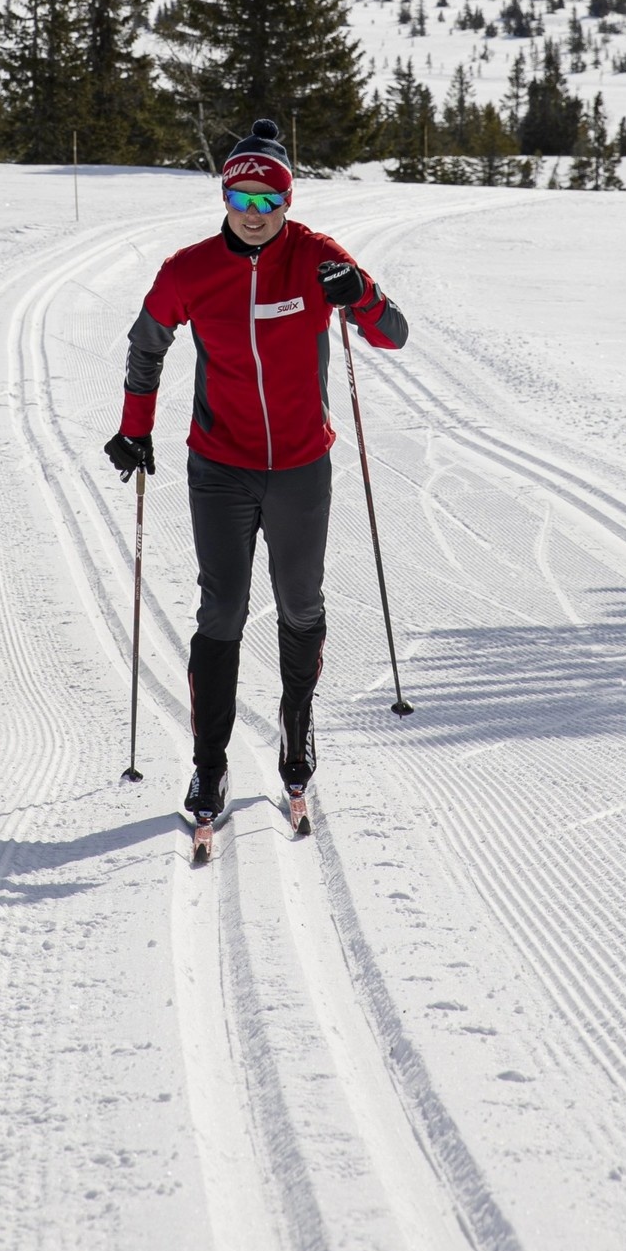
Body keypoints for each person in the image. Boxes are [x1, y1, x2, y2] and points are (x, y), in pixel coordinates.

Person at [104, 118, 409, 824]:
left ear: (286, 204)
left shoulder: (315, 259)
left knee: (301, 605)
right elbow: (146, 342)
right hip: (220, 466)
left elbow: (392, 333)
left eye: (266, 203)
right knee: (223, 610)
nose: (252, 215)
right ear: (224, 200)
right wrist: (134, 429)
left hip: (302, 464)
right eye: (240, 201)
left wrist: (355, 292)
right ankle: (207, 767)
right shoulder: (190, 269)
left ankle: (294, 735)